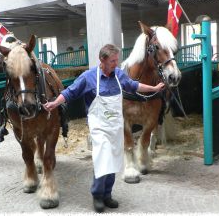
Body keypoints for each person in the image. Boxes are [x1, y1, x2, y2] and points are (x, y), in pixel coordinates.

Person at [43, 44, 165, 213]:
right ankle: (97, 195)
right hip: (99, 128)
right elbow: (70, 92)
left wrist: (153, 88)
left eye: (117, 60)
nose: (116, 63)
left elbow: (134, 85)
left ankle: (107, 194)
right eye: (113, 61)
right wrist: (55, 102)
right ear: (102, 60)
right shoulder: (88, 77)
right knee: (103, 160)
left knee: (114, 161)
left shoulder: (118, 76)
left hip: (116, 127)